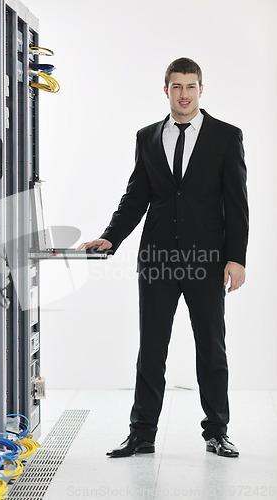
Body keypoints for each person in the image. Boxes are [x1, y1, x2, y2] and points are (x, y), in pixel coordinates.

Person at [78, 57, 249, 458]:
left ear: (201, 90)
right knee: (151, 348)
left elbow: (237, 203)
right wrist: (110, 237)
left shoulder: (226, 136)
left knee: (211, 346)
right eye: (177, 87)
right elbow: (137, 194)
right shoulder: (148, 136)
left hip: (207, 260)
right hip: (156, 259)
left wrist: (236, 258)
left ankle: (216, 431)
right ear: (166, 90)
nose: (184, 94)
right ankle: (141, 434)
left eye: (191, 86)